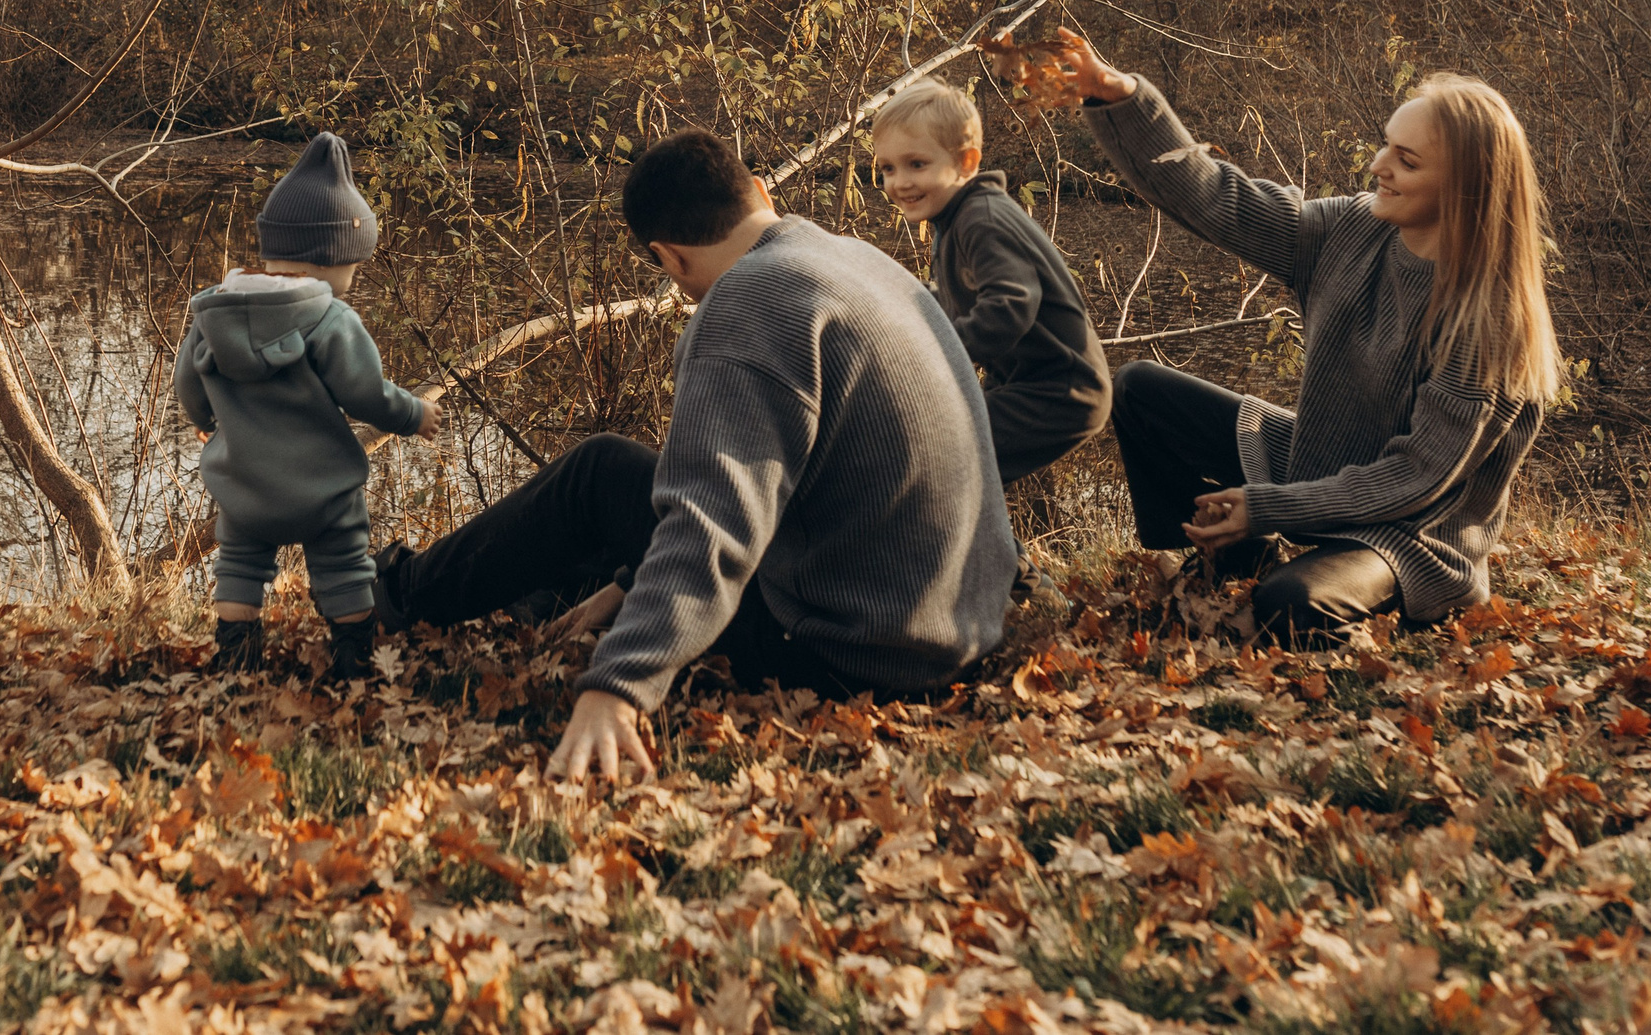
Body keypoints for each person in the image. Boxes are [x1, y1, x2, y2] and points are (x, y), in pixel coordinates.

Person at [372, 129, 1017, 782]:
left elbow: (715, 516)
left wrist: (620, 683)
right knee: (613, 525)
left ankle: (394, 594)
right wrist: (626, 583)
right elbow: (784, 483)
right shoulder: (855, 260)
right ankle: (552, 599)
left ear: (668, 257)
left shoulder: (748, 302)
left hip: (852, 656)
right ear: (759, 192)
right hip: (953, 625)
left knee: (600, 473)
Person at [1055, 33, 1560, 644]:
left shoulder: (1488, 320)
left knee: (1289, 603)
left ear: (1467, 187)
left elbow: (1414, 479)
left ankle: (1291, 571)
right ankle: (1219, 561)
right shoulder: (1352, 228)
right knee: (1139, 388)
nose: (1379, 165)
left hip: (1411, 532)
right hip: (1321, 464)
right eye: (1385, 145)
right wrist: (1124, 99)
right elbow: (1219, 199)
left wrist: (1269, 508)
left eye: (1407, 160)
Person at [174, 133, 442, 681]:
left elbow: (188, 388)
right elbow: (367, 394)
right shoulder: (333, 320)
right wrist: (414, 414)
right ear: (331, 256)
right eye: (353, 265)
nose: (352, 279)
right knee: (345, 562)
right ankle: (352, 658)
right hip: (324, 492)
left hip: (244, 488)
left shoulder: (215, 313)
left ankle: (237, 658)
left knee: (240, 564)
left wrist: (206, 422)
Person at [871, 79, 1111, 489]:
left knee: (941, 454)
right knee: (959, 467)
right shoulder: (952, 220)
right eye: (888, 169)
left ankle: (990, 555)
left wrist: (929, 354)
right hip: (1026, 384)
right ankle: (998, 553)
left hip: (1061, 391)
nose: (899, 183)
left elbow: (1010, 305)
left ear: (965, 163)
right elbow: (950, 306)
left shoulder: (983, 219)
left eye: (917, 164)